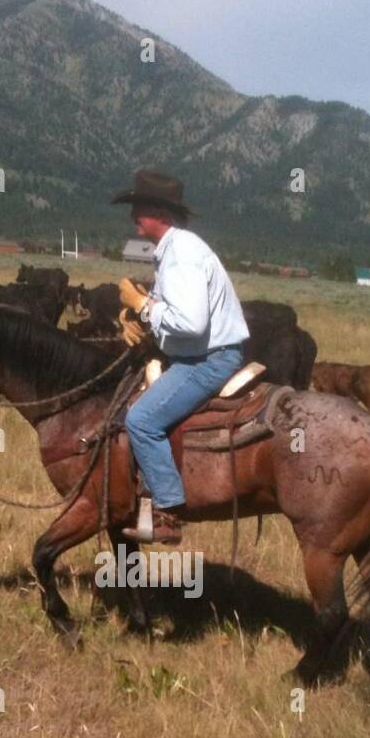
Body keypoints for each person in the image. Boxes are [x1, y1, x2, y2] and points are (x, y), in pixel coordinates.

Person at [110, 170, 248, 545]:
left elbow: (190, 321)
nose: (134, 214)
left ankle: (168, 509)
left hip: (208, 359)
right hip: (200, 352)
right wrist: (141, 316)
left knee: (140, 419)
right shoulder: (175, 249)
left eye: (141, 207)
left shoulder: (182, 254)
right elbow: (174, 311)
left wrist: (142, 306)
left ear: (162, 214)